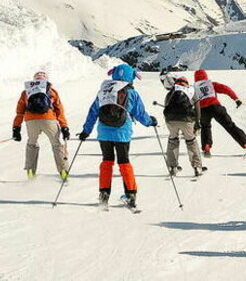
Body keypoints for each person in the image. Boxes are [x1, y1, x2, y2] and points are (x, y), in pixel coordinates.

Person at [78, 63, 157, 209]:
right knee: (124, 161)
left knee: (107, 161)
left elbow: (93, 111)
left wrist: (86, 130)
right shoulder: (131, 93)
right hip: (122, 133)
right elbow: (140, 114)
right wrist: (150, 122)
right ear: (130, 77)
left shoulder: (104, 91)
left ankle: (104, 194)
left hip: (104, 133)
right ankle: (130, 194)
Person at [12, 71, 69, 179]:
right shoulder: (52, 91)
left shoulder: (26, 92)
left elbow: (20, 111)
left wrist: (16, 128)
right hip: (48, 119)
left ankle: (30, 171)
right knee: (56, 144)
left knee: (31, 144)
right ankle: (63, 171)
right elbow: (59, 110)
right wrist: (64, 126)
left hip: (31, 121)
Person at [193, 69, 246, 156]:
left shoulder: (194, 88)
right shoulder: (211, 84)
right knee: (230, 126)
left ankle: (206, 147)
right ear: (205, 76)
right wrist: (236, 99)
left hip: (203, 110)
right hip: (216, 107)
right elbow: (226, 89)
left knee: (205, 127)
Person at [163, 76, 204, 176]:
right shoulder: (190, 90)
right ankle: (197, 167)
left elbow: (166, 106)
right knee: (191, 141)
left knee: (173, 140)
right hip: (186, 120)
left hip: (171, 120)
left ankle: (172, 167)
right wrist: (197, 122)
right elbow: (198, 108)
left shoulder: (172, 91)